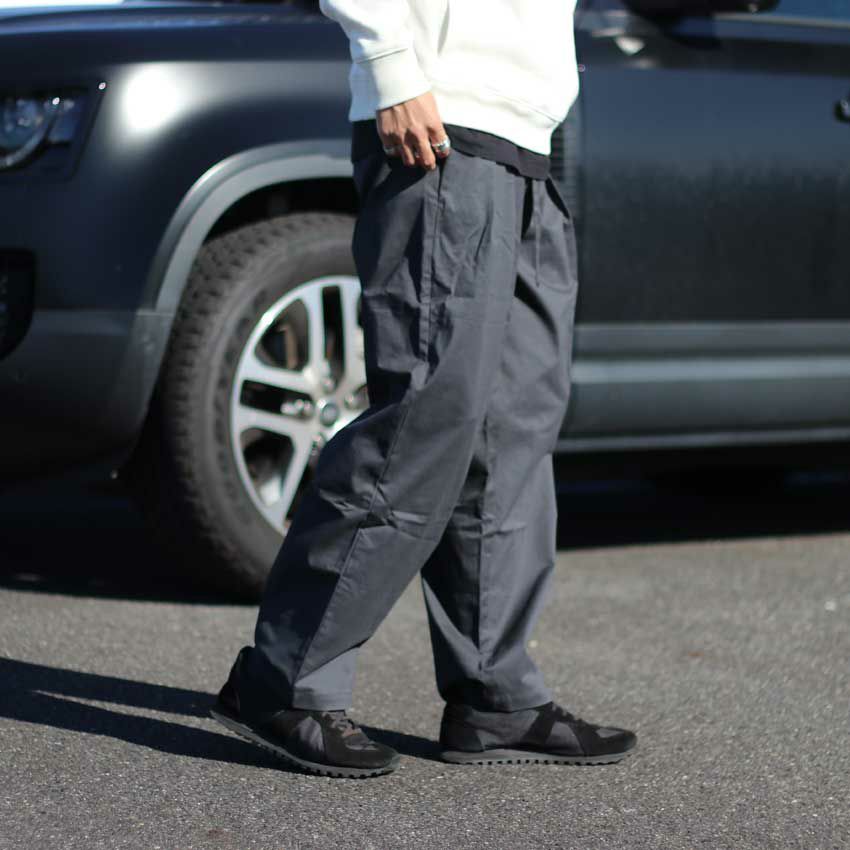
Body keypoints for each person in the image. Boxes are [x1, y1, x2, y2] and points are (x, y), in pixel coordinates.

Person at [210, 0, 637, 778]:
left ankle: (495, 696)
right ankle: (283, 679)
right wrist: (390, 65)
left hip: (525, 132)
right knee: (424, 416)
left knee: (512, 427)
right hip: (440, 117)